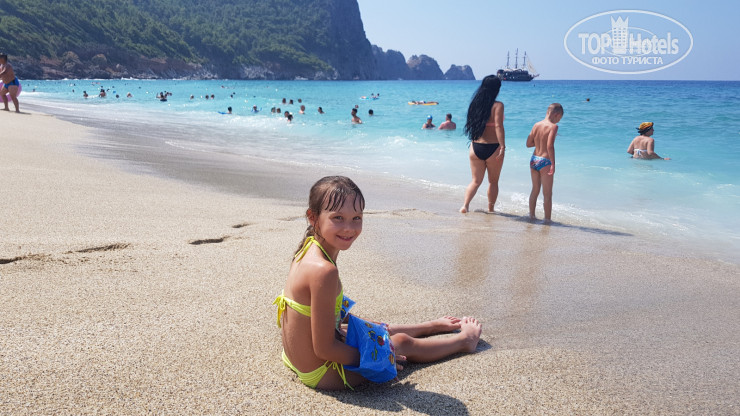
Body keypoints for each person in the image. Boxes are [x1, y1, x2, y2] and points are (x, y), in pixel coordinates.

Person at [273, 176, 483, 390]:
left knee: (371, 328)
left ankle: (430, 326)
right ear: (313, 217)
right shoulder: (324, 271)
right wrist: (380, 357)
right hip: (322, 373)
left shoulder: (308, 247)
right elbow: (324, 349)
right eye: (338, 218)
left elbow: (322, 315)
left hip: (295, 357)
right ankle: (465, 341)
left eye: (356, 218)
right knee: (401, 342)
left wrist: (367, 333)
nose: (349, 228)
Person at [460, 75, 506, 213]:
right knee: (493, 182)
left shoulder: (475, 104)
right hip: (493, 147)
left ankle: (465, 205)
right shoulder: (498, 105)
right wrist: (503, 146)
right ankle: (490, 209)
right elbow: (498, 126)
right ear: (496, 89)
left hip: (476, 146)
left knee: (475, 181)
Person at [526, 103, 564, 222]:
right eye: (559, 118)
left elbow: (528, 144)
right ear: (556, 114)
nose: (558, 121)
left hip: (534, 160)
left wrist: (539, 142)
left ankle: (531, 216)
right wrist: (553, 164)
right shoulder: (553, 127)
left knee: (535, 190)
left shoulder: (536, 125)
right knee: (547, 194)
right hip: (545, 161)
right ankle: (547, 220)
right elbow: (550, 146)